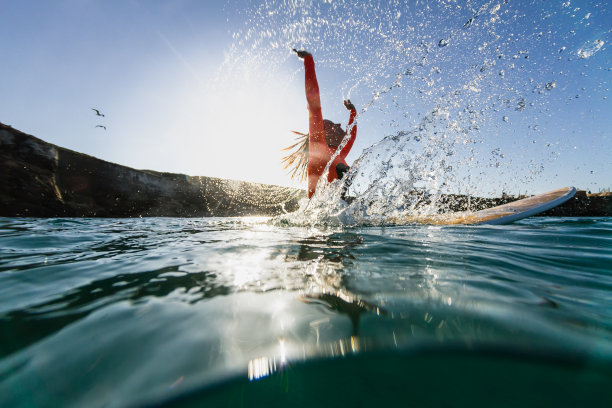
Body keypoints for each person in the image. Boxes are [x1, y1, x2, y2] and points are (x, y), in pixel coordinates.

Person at [284, 49, 357, 199]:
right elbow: (314, 104)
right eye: (332, 125)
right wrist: (308, 61)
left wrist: (353, 112)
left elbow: (352, 135)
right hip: (318, 219)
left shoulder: (339, 152)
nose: (337, 124)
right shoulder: (318, 145)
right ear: (322, 131)